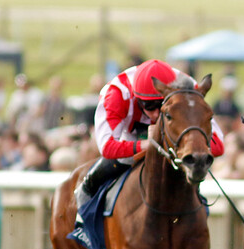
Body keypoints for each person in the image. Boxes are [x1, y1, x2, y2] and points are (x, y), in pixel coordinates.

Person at [76, 59, 225, 206]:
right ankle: (84, 204)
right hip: (128, 137)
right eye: (148, 105)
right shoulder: (117, 94)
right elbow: (107, 148)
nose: (155, 114)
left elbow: (218, 145)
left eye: (160, 104)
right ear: (137, 98)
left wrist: (191, 147)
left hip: (172, 139)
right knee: (109, 169)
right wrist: (146, 144)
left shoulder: (188, 89)